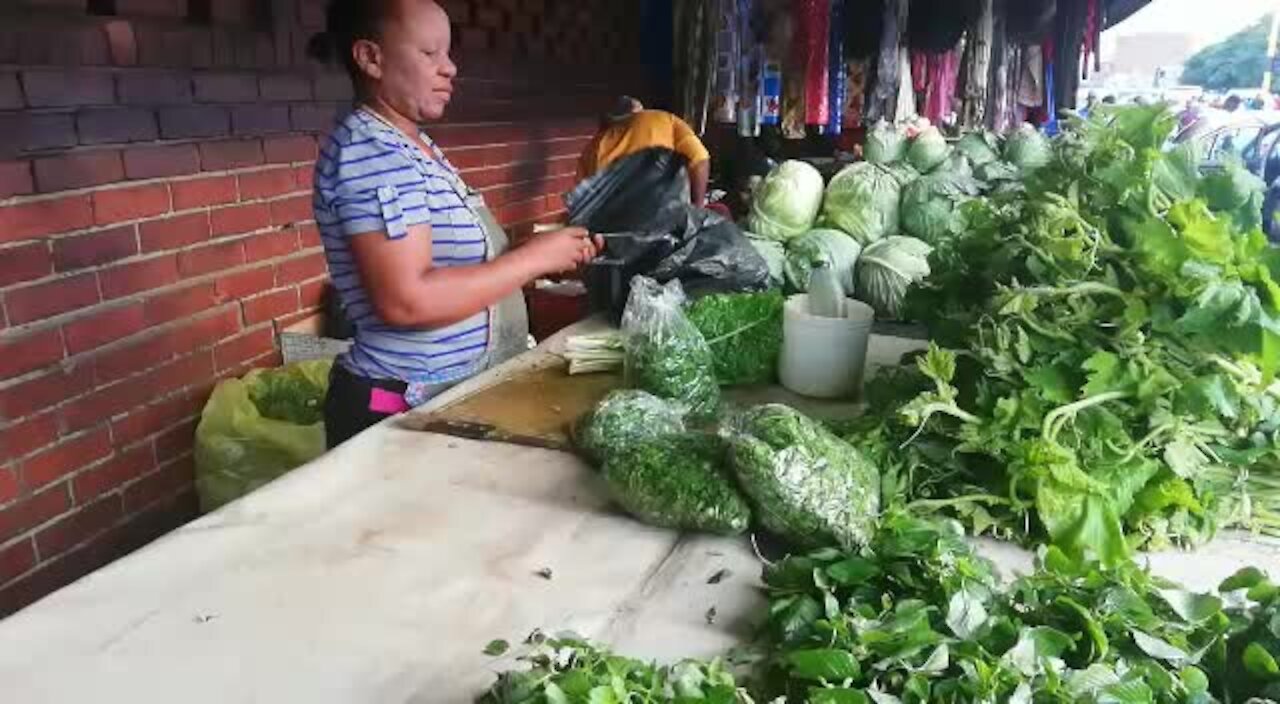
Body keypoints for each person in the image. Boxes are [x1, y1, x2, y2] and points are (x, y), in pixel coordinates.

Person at [307, 0, 601, 448]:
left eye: (448, 53)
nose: (450, 68)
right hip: (398, 405)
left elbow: (452, 264)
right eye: (430, 53)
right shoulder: (373, 152)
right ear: (370, 58)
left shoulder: (411, 144)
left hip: (442, 392)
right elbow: (406, 301)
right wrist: (532, 259)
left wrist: (544, 254)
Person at [577, 97, 712, 207]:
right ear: (639, 111)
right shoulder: (664, 119)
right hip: (663, 214)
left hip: (614, 224)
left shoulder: (592, 146)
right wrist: (698, 207)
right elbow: (700, 159)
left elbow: (583, 197)